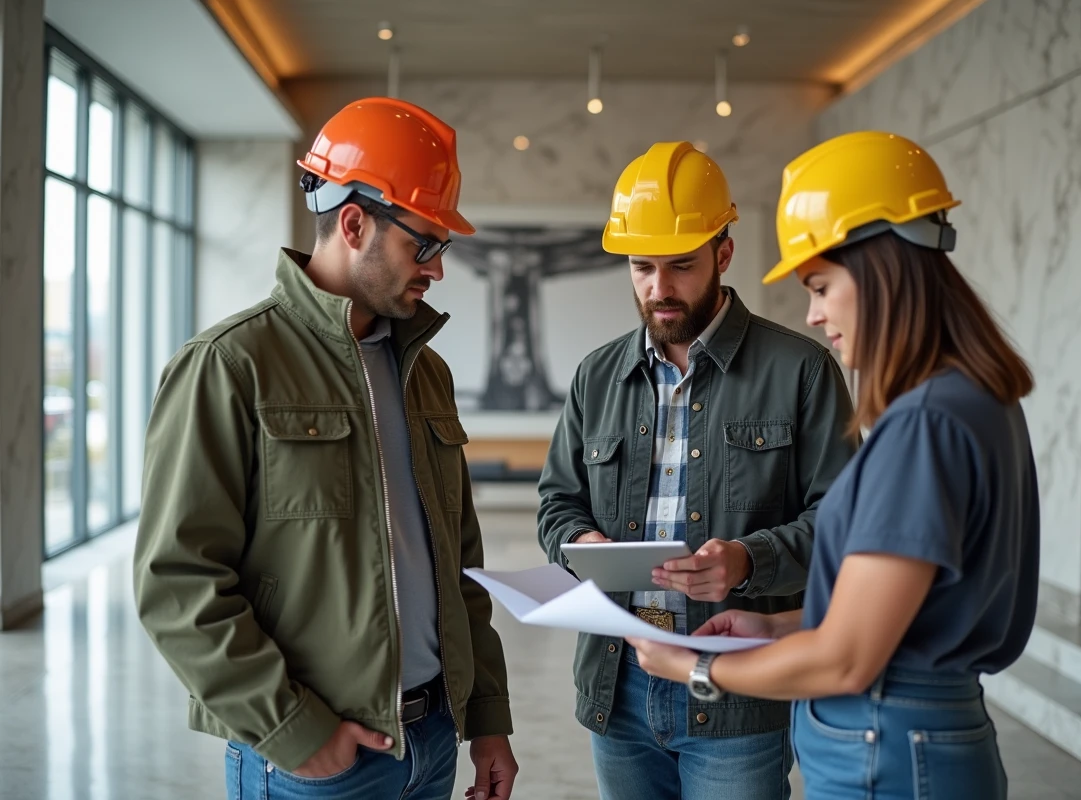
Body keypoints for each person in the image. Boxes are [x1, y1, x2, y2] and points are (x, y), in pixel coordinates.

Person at [625, 131, 1040, 800]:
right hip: (918, 738)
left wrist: (696, 667)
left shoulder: (926, 423)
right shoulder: (977, 398)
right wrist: (776, 623)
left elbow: (850, 658)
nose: (814, 314)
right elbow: (900, 615)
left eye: (820, 285)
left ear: (881, 268)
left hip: (886, 748)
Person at [133, 97, 518, 800]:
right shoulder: (230, 364)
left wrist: (486, 716)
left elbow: (461, 564)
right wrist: (294, 731)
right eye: (422, 245)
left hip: (431, 743)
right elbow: (177, 581)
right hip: (316, 760)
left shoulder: (425, 372)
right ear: (353, 223)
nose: (435, 269)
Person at [536, 141, 859, 800]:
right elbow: (557, 504)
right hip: (616, 688)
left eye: (680, 265)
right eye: (641, 267)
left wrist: (747, 559)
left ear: (723, 253)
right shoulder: (596, 376)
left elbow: (845, 525)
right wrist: (584, 546)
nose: (659, 288)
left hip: (736, 697)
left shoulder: (802, 371)